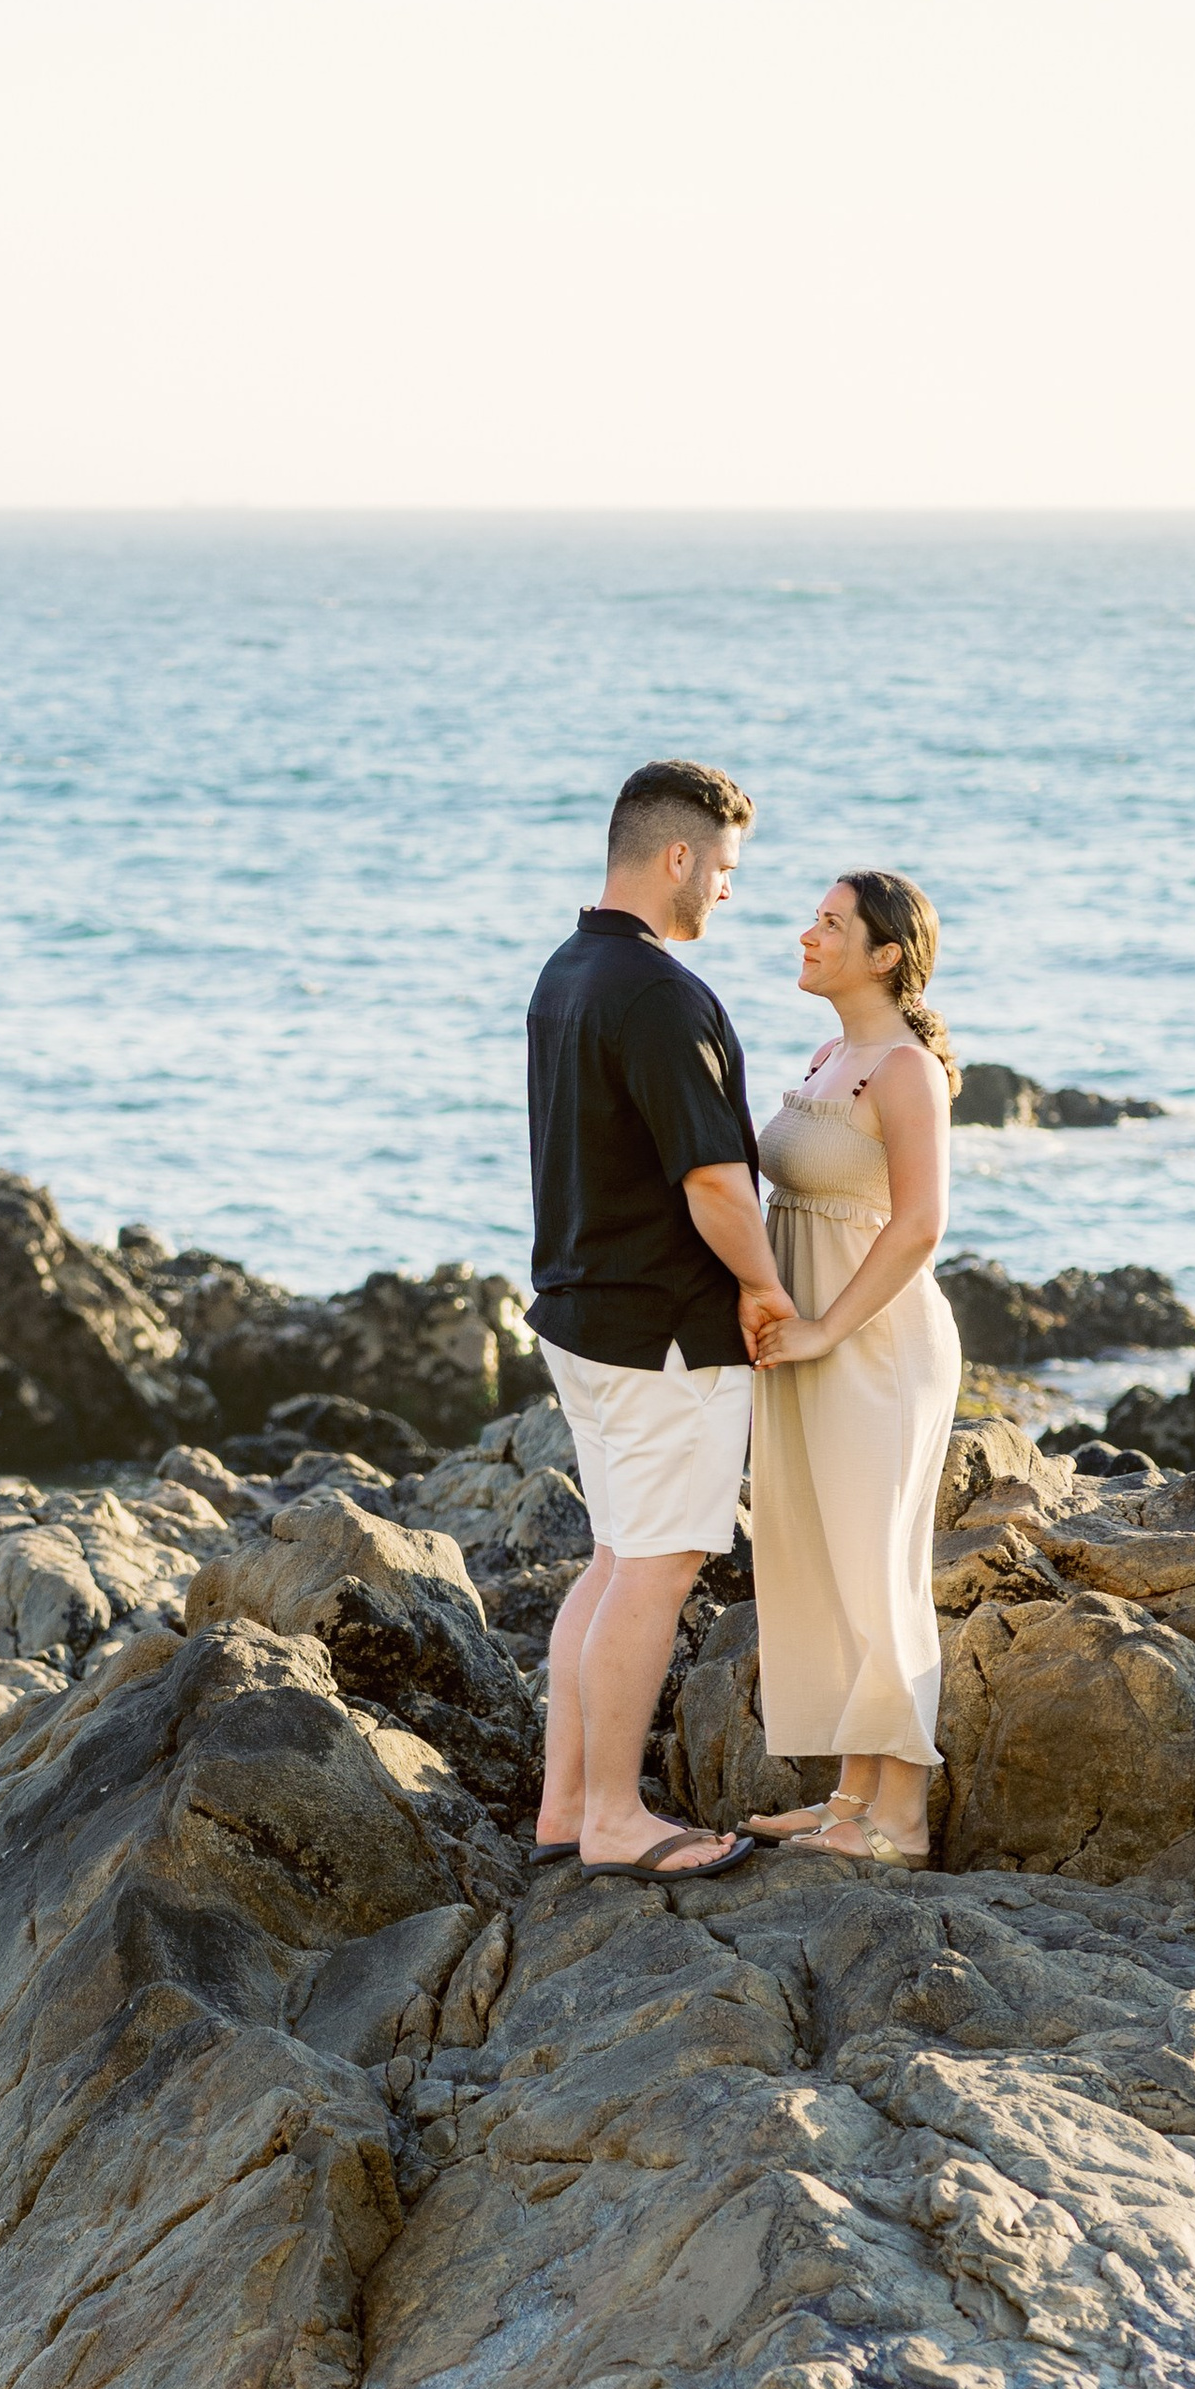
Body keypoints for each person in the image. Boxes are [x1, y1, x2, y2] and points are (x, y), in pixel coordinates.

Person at [525, 760, 795, 1881]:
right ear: (677, 855)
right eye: (723, 867)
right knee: (656, 1567)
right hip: (664, 1334)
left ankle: (564, 1813)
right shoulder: (659, 993)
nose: (726, 892)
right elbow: (715, 1184)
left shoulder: (566, 971)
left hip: (581, 1317)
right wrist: (769, 1286)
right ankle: (614, 1823)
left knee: (611, 1561)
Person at [743, 872, 962, 1868]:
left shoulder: (904, 1070)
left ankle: (902, 1819)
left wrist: (827, 1328)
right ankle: (847, 1799)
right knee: (817, 1560)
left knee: (877, 1567)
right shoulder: (832, 1052)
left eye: (830, 925)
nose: (807, 934)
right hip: (806, 1341)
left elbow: (919, 1223)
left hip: (873, 1344)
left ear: (882, 955)